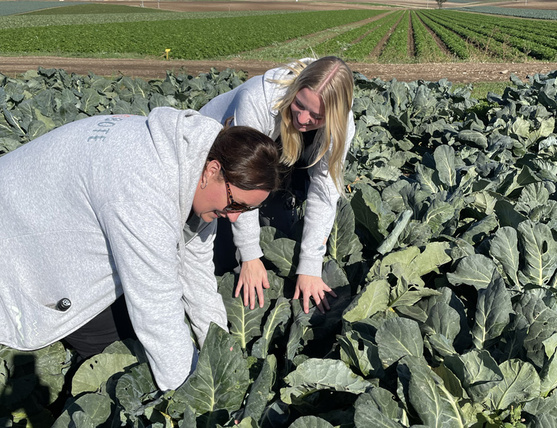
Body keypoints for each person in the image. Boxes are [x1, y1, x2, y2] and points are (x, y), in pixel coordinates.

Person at [0, 107, 281, 391]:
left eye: (247, 209)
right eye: (235, 204)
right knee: (124, 352)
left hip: (51, 212)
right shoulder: (143, 189)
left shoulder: (190, 161)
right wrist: (188, 394)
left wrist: (219, 347)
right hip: (19, 242)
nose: (234, 217)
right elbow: (155, 303)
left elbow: (195, 267)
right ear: (212, 170)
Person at [199, 56, 355, 314]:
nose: (303, 118)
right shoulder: (257, 100)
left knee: (278, 229)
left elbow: (324, 192)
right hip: (220, 158)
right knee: (226, 253)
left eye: (316, 116)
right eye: (299, 104)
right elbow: (240, 179)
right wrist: (249, 255)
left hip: (280, 152)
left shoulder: (341, 125)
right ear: (295, 89)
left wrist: (311, 266)